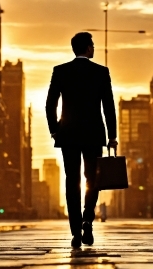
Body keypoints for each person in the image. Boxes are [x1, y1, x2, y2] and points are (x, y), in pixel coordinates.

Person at [45, 32, 117, 248]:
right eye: (92, 45)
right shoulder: (101, 72)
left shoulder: (61, 71)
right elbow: (109, 107)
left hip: (68, 135)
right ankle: (88, 218)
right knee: (92, 179)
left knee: (72, 180)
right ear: (87, 48)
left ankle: (76, 231)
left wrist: (55, 130)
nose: (93, 48)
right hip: (94, 135)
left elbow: (50, 104)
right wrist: (112, 136)